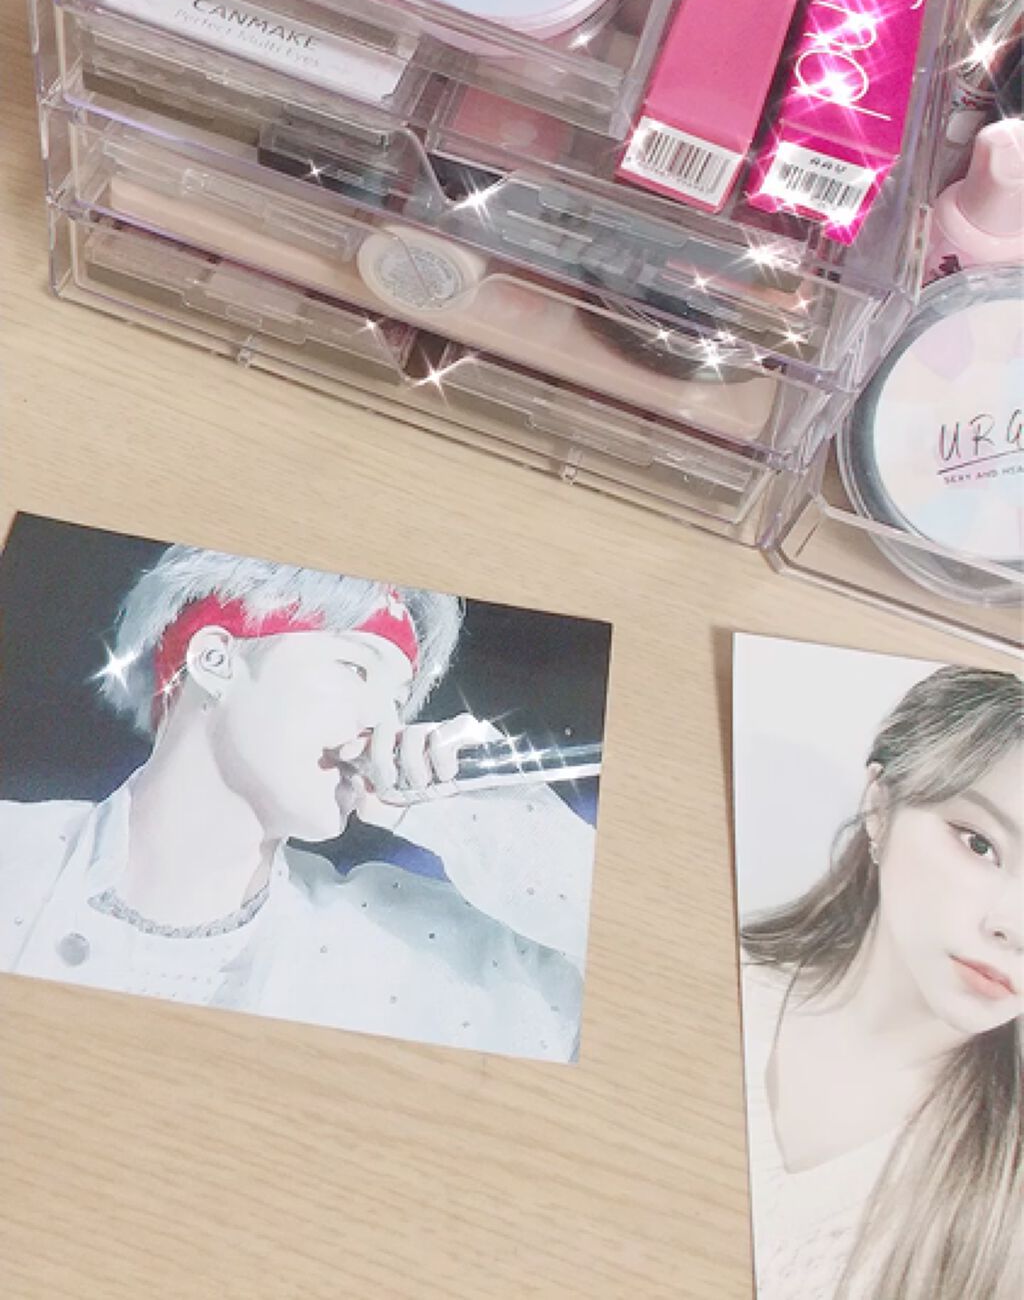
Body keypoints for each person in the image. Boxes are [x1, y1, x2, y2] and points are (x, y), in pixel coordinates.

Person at [0, 546, 594, 1061]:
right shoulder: (15, 856)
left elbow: (627, 994)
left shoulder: (407, 955)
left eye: (398, 702)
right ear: (215, 660)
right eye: (355, 667)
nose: (382, 724)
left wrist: (493, 819)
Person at [740, 664, 1023, 1300]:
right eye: (980, 844)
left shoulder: (1004, 1203)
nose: (1013, 926)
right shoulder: (704, 980)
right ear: (880, 805)